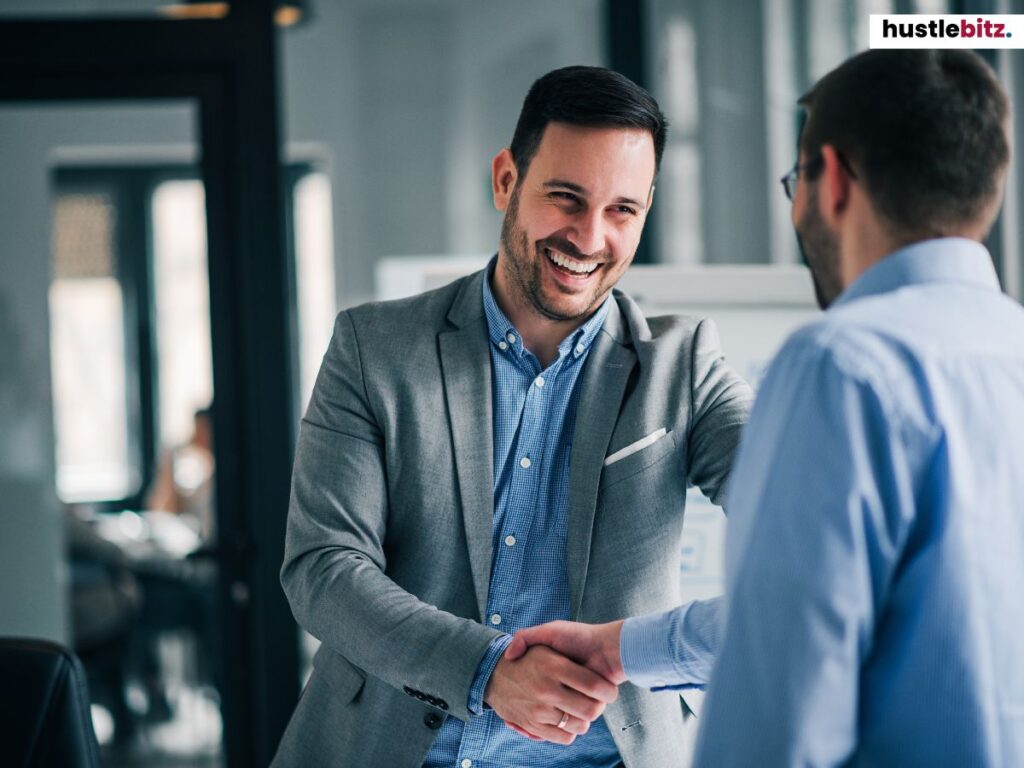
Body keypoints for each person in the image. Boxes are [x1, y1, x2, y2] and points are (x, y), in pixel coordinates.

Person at [509, 49, 1024, 765]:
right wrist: (620, 648)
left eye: (797, 180)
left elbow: (780, 683)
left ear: (833, 180)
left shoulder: (843, 365)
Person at [272, 66, 752, 768]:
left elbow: (807, 522)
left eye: (623, 211)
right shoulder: (373, 349)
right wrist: (487, 669)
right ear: (506, 181)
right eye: (566, 198)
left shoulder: (684, 366)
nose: (590, 238)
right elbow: (323, 569)